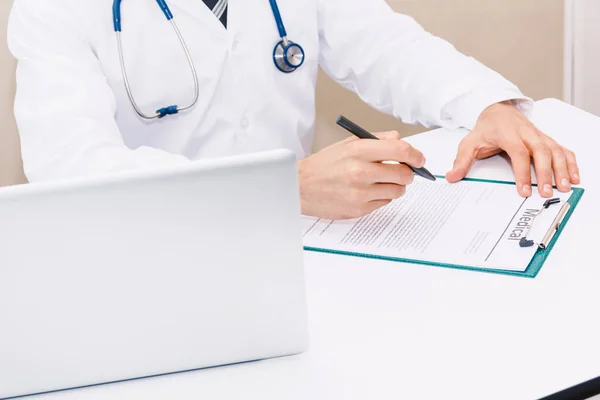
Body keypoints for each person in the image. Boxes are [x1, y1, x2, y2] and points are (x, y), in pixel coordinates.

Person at [7, 0, 579, 220]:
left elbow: (386, 46)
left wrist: (488, 105)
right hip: (154, 251)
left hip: (302, 241)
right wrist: (282, 187)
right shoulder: (50, 10)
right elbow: (69, 169)